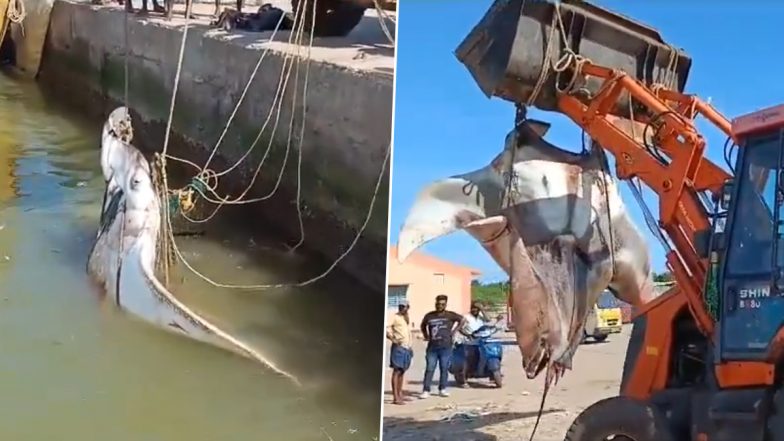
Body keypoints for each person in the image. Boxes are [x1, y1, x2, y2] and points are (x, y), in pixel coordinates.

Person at [419, 295, 466, 398]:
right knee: (430, 368)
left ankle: (442, 389)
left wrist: (454, 331)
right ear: (435, 303)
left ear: (445, 305)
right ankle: (426, 390)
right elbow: (423, 325)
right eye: (438, 304)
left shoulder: (450, 315)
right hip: (432, 348)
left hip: (446, 347)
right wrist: (426, 335)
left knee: (444, 368)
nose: (440, 306)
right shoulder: (429, 316)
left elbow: (462, 320)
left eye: (442, 304)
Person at [386, 302, 413, 405]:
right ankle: (395, 397)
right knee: (397, 371)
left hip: (407, 347)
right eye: (401, 307)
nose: (403, 309)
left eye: (405, 307)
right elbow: (386, 329)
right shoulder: (394, 317)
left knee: (402, 371)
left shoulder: (405, 318)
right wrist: (393, 339)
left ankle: (400, 394)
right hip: (399, 347)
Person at [456, 301, 488, 387]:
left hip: (481, 341)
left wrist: (482, 309)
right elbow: (459, 328)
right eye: (473, 308)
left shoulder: (481, 317)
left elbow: (488, 320)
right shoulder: (466, 317)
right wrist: (468, 335)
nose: (474, 310)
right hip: (468, 342)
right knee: (468, 360)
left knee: (484, 356)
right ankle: (463, 380)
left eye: (476, 309)